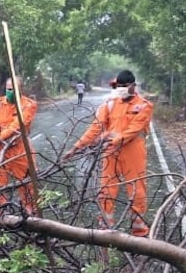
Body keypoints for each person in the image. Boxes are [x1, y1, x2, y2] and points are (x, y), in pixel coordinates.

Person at [62, 69, 154, 236]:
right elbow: (95, 127)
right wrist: (77, 147)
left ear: (133, 86)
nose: (122, 89)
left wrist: (110, 138)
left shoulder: (144, 106)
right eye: (119, 86)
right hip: (110, 153)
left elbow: (134, 130)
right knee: (105, 191)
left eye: (125, 86)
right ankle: (105, 230)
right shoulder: (110, 104)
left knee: (137, 192)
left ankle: (139, 232)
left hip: (133, 152)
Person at [0, 78, 39, 216]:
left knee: (27, 185)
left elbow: (16, 126)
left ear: (20, 90)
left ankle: (31, 216)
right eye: (8, 89)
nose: (10, 92)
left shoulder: (28, 105)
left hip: (20, 149)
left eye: (13, 89)